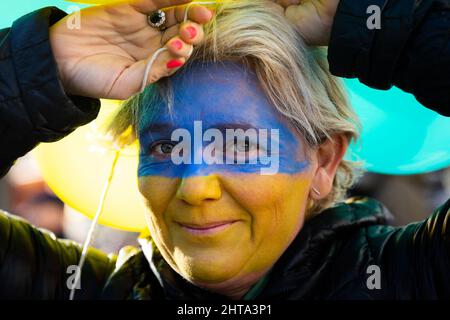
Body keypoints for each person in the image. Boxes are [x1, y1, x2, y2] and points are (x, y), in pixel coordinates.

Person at [0, 0, 449, 300]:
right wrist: (43, 65)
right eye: (166, 144)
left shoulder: (416, 281)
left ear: (324, 161)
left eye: (238, 145)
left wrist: (367, 17)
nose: (195, 188)